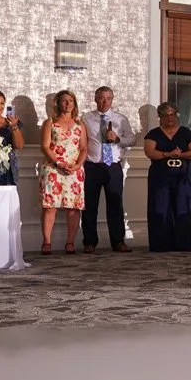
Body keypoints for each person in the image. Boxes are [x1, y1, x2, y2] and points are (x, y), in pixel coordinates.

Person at [81, 86, 135, 253]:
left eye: (108, 98)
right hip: (92, 166)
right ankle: (89, 242)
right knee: (90, 205)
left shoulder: (120, 118)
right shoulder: (86, 118)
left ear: (112, 100)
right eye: (102, 98)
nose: (105, 101)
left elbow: (131, 139)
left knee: (115, 204)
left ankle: (118, 241)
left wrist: (117, 139)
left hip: (113, 166)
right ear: (96, 99)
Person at [143, 102, 191, 252]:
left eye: (172, 114)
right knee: (160, 208)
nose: (169, 118)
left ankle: (183, 244)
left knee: (183, 207)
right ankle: (161, 245)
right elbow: (149, 152)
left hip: (182, 177)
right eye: (166, 115)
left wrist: (181, 154)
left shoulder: (186, 132)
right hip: (160, 178)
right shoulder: (153, 134)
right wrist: (167, 154)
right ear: (159, 117)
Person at [38, 89, 87, 255]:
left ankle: (70, 243)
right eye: (64, 101)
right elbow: (45, 146)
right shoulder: (50, 122)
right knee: (50, 206)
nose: (67, 104)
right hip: (53, 168)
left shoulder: (80, 124)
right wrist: (58, 163)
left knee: (73, 207)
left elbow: (84, 148)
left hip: (74, 170)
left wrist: (77, 165)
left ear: (75, 104)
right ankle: (46, 242)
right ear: (58, 103)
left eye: (70, 101)